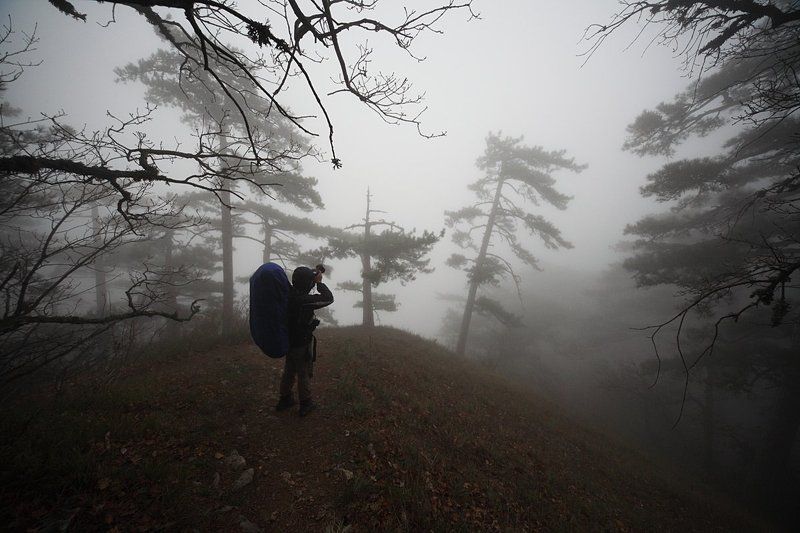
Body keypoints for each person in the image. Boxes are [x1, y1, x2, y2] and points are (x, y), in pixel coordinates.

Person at [275, 265, 333, 416]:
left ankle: (285, 399)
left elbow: (302, 281)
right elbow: (328, 298)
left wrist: (311, 275)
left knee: (289, 370)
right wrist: (319, 282)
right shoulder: (304, 300)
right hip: (301, 342)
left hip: (289, 341)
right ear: (307, 283)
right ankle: (306, 403)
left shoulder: (289, 294)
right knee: (303, 372)